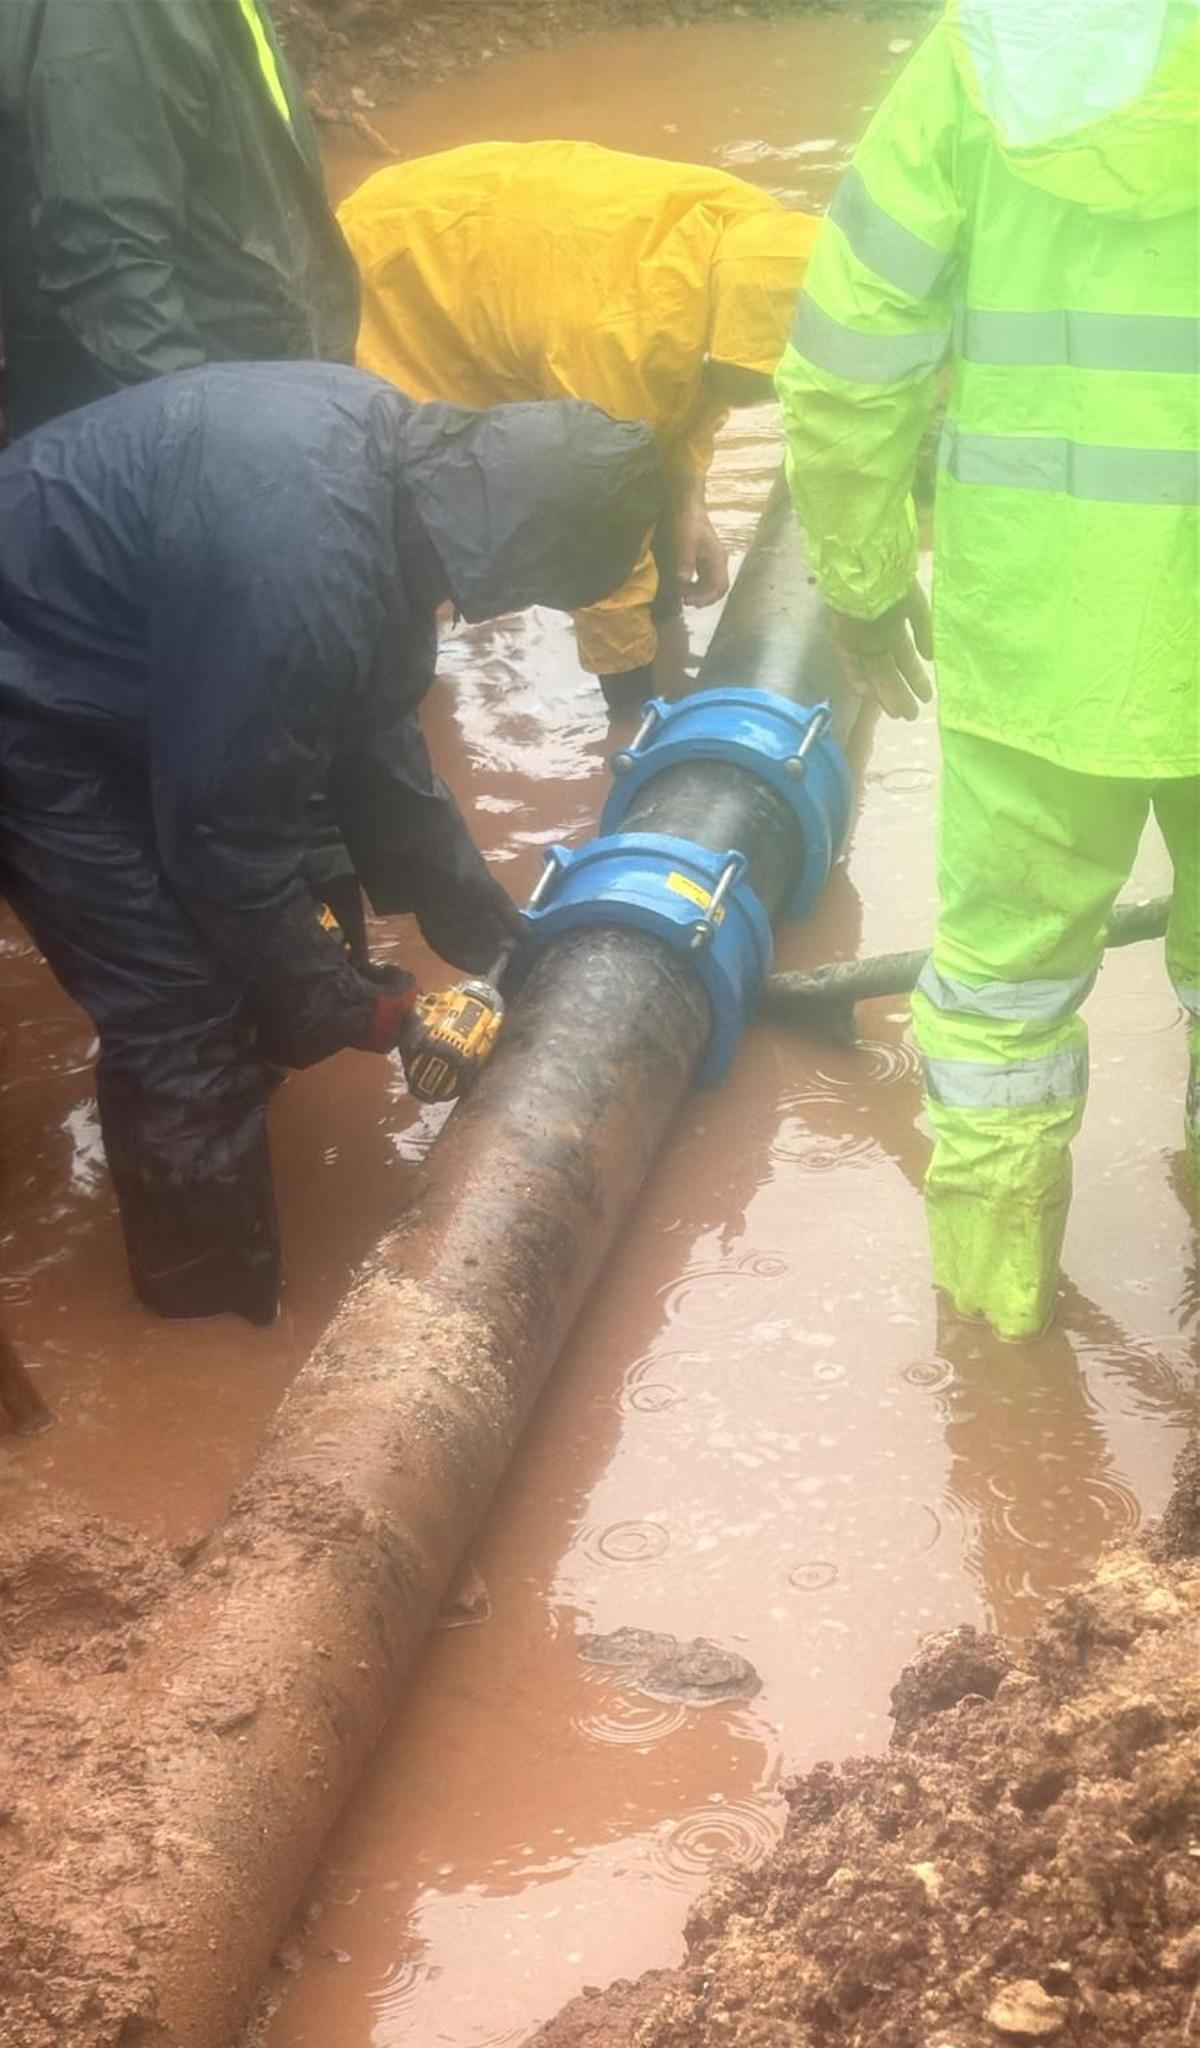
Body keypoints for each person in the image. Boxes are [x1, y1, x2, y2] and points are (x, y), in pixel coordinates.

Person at [0, 363, 663, 1325]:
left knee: (299, 907)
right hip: (27, 699)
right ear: (513, 554)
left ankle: (226, 1135)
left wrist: (499, 941)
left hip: (108, 659)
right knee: (181, 1005)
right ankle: (207, 1317)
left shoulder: (383, 467)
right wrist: (360, 1013)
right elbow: (219, 843)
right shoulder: (306, 568)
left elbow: (374, 748)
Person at [776, 0, 1199, 1342]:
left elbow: (851, 358)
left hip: (1037, 623)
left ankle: (997, 1353)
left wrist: (862, 577)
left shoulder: (985, 55)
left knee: (1003, 1003)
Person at [338, 140, 818, 710]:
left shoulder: (762, 252)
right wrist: (629, 708)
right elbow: (595, 527)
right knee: (416, 493)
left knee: (641, 487)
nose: (762, 400)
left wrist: (690, 501)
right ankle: (390, 682)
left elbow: (705, 383)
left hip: (511, 248)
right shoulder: (623, 339)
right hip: (402, 262)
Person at [0, 0, 359, 439]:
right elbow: (110, 264)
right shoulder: (113, 16)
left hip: (254, 383)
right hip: (181, 416)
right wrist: (205, 446)